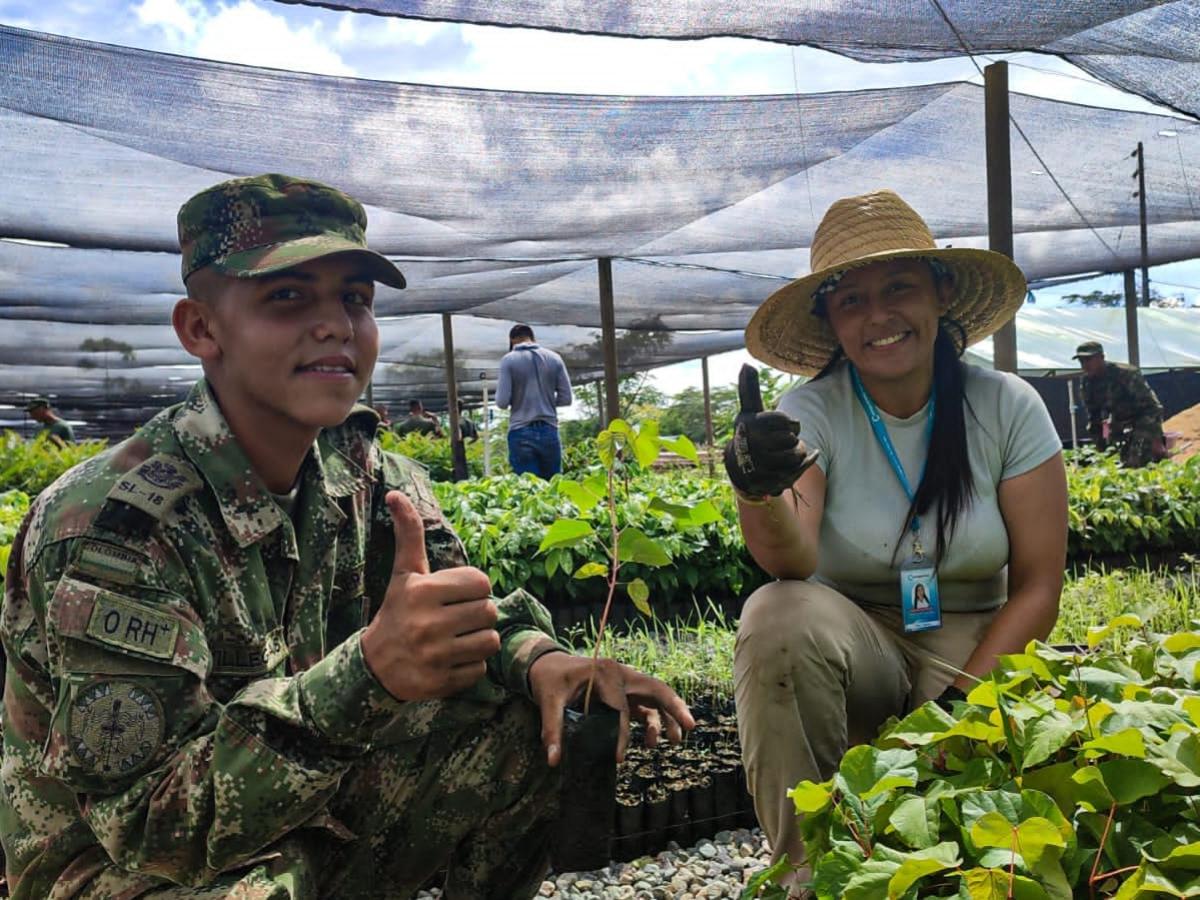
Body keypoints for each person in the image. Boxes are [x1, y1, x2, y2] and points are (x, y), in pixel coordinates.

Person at [0, 173, 693, 900]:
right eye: (289, 296)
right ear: (201, 329)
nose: (335, 324)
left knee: (537, 720)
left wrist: (541, 657)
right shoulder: (111, 528)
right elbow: (147, 828)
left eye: (354, 300)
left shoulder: (372, 475)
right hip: (129, 870)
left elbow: (465, 610)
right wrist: (369, 675)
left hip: (296, 810)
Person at [725, 190, 1066, 893]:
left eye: (899, 288)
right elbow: (791, 559)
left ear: (941, 294)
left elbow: (1038, 586)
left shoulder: (1005, 406)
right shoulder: (812, 411)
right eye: (851, 300)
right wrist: (757, 488)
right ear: (831, 322)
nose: (878, 316)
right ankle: (803, 875)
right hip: (857, 639)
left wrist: (957, 708)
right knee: (776, 615)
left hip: (976, 637)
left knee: (963, 815)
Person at [496, 324, 572, 479]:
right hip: (549, 429)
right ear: (533, 337)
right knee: (552, 487)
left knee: (529, 489)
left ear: (511, 340)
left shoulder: (508, 360)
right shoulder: (554, 358)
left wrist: (519, 400)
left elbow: (502, 402)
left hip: (521, 431)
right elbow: (566, 398)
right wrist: (546, 402)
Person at [1073, 340, 1166, 467]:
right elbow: (1094, 417)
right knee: (1115, 459)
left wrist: (1156, 437)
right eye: (1081, 361)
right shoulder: (1088, 382)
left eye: (1088, 360)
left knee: (1136, 458)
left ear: (1101, 358)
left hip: (1144, 419)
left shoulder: (1125, 374)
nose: (1085, 365)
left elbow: (1153, 408)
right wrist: (1101, 450)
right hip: (1119, 422)